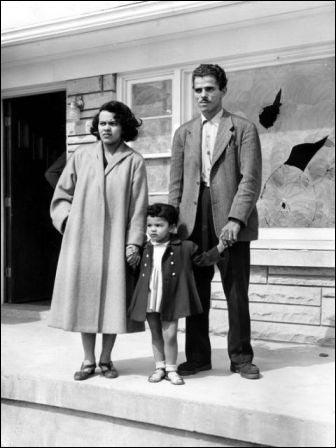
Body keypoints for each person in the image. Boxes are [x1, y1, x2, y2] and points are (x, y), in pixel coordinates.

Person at [168, 64, 262, 380]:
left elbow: (250, 180)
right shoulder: (184, 133)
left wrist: (236, 219)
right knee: (195, 294)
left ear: (222, 90)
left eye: (209, 88)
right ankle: (197, 357)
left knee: (236, 292)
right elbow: (176, 185)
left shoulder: (243, 128)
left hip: (229, 216)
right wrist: (171, 227)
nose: (203, 95)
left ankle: (240, 357)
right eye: (198, 90)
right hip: (192, 221)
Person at [48, 100, 148, 380]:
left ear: (123, 127)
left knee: (112, 301)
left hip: (116, 241)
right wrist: (67, 220)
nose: (106, 128)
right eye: (102, 123)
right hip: (83, 241)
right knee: (86, 299)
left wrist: (134, 243)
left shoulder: (134, 162)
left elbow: (139, 207)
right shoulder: (81, 156)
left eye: (113, 123)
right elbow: (61, 195)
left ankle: (106, 359)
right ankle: (88, 359)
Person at [128, 203, 227, 385]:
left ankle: (171, 369)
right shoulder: (144, 247)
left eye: (159, 225)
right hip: (150, 296)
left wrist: (219, 248)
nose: (153, 230)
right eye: (149, 225)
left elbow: (202, 260)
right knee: (156, 333)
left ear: (172, 227)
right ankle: (159, 367)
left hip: (170, 298)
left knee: (171, 334)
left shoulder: (184, 246)